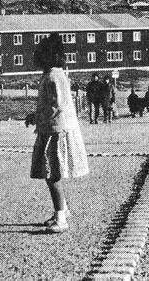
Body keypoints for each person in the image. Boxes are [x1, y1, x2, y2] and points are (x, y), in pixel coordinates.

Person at [26, 33, 89, 234]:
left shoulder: (54, 76)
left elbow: (57, 106)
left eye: (38, 53)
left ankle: (61, 217)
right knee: (50, 172)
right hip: (50, 128)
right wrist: (37, 115)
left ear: (47, 56)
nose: (35, 57)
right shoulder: (51, 75)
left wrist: (38, 116)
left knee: (52, 174)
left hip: (56, 130)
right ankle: (62, 210)